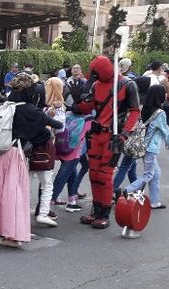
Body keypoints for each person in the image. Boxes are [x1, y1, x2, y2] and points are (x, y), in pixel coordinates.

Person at [0, 73, 63, 248]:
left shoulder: (5, 106)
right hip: (13, 154)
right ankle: (10, 235)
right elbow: (58, 125)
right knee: (13, 194)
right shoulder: (31, 110)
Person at [72, 55, 140, 229]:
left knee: (104, 175)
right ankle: (96, 210)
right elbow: (86, 108)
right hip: (96, 135)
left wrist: (124, 133)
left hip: (114, 136)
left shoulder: (126, 84)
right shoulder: (95, 85)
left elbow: (134, 111)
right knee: (94, 174)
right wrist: (78, 98)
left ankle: (104, 213)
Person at [124, 85, 169, 209]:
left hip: (143, 145)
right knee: (149, 174)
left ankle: (154, 201)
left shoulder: (145, 108)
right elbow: (165, 131)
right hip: (151, 147)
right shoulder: (160, 113)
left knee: (156, 174)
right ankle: (128, 190)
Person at [32, 77, 66, 227]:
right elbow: (60, 128)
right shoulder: (56, 107)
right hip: (45, 147)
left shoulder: (34, 104)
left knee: (26, 181)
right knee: (46, 183)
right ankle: (43, 212)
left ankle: (20, 211)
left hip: (28, 147)